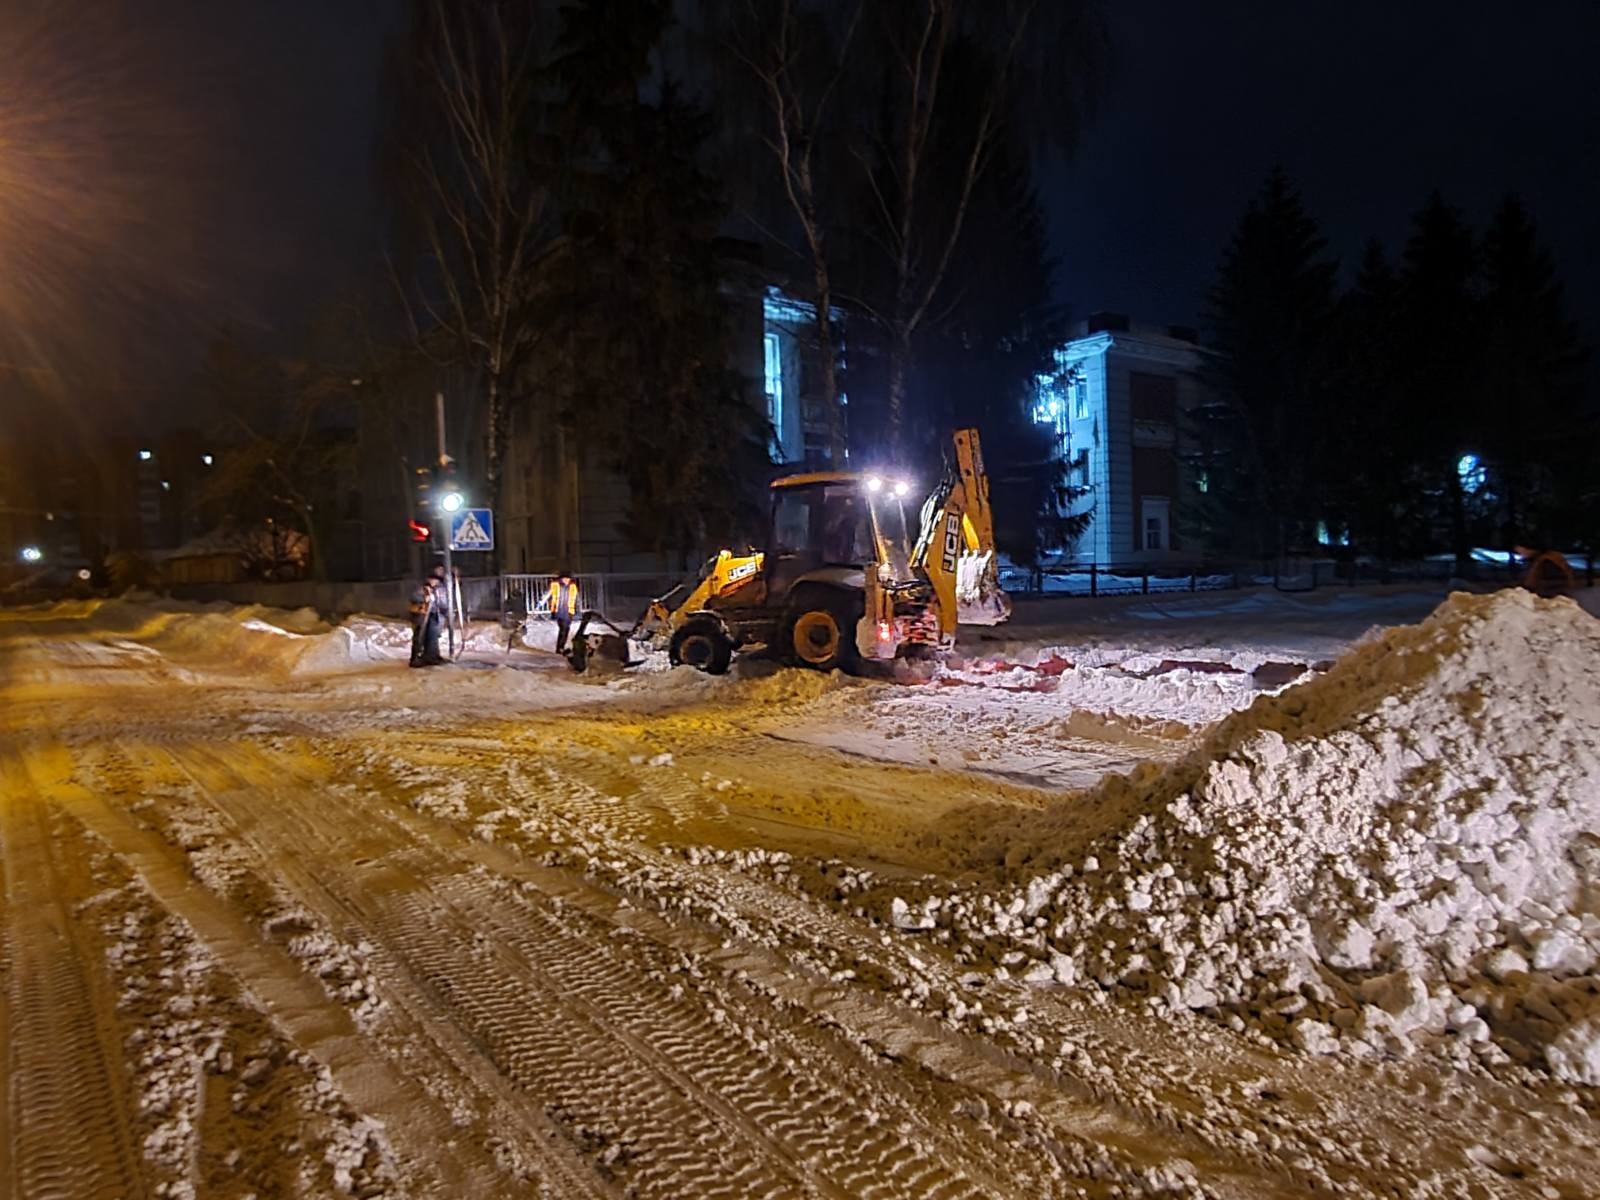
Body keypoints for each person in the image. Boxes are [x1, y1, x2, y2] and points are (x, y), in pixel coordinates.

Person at [546, 569, 580, 653]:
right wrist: (542, 602)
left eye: (568, 578)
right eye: (564, 578)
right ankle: (560, 647)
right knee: (563, 628)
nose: (566, 580)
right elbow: (548, 595)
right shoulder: (555, 585)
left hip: (568, 611)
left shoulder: (573, 587)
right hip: (559, 611)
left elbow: (576, 599)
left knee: (566, 629)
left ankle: (560, 647)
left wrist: (577, 610)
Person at [408, 575, 437, 667]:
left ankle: (421, 657)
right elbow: (414, 600)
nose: (435, 583)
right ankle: (415, 658)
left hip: (425, 617)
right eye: (434, 580)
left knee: (423, 638)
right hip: (419, 617)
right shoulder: (421, 590)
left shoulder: (431, 591)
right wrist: (424, 599)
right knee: (418, 638)